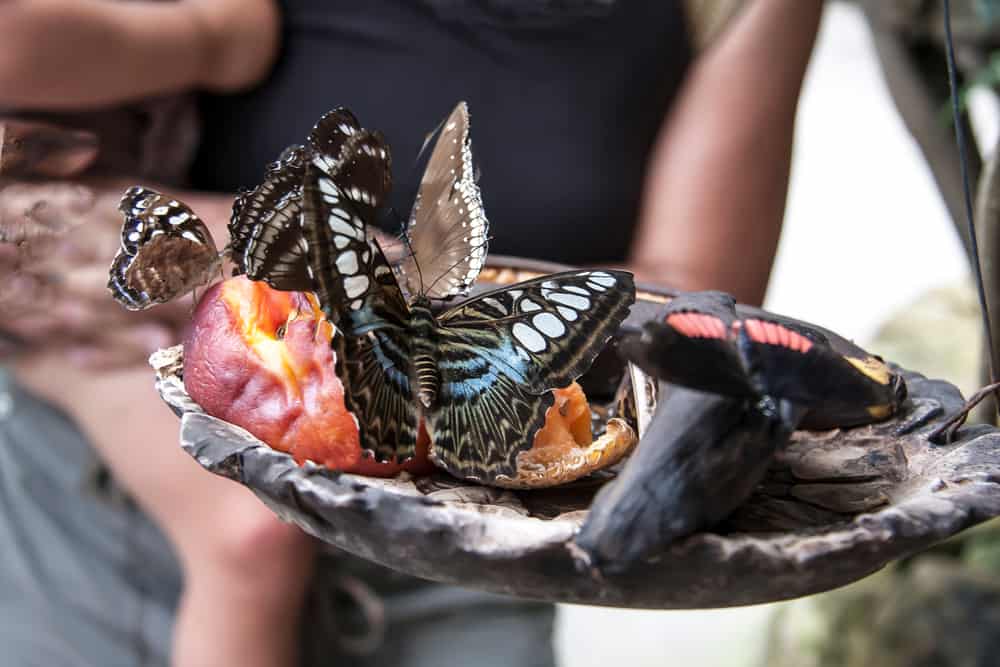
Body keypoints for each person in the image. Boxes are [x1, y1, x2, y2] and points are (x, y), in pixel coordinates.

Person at [0, 1, 822, 665]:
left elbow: (691, 323)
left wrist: (271, 255)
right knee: (245, 544)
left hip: (462, 540)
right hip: (112, 505)